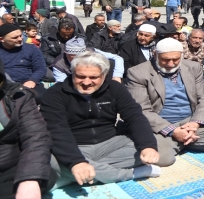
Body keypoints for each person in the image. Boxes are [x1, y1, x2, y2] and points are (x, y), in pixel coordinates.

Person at [41, 52, 162, 188]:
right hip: (75, 145)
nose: (86, 82)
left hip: (110, 143)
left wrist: (147, 146)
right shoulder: (55, 94)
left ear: (103, 76)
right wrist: (76, 161)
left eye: (93, 77)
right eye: (80, 76)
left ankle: (73, 174)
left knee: (150, 147)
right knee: (48, 159)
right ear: (72, 73)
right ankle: (130, 174)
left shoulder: (115, 88)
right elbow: (57, 130)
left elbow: (135, 117)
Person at [126, 39, 204, 166]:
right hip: (161, 123)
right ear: (155, 54)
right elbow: (142, 109)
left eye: (175, 59)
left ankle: (179, 141)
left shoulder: (193, 67)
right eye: (165, 60)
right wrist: (172, 131)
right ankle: (180, 140)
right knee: (163, 159)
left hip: (189, 120)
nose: (171, 63)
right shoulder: (138, 73)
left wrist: (195, 123)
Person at [0, 60, 56, 199]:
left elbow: (36, 136)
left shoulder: (18, 97)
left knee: (44, 175)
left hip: (10, 166)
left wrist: (30, 178)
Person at [0, 24, 48, 99]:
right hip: (3, 84)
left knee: (42, 97)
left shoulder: (31, 49)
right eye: (15, 37)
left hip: (26, 83)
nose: (20, 39)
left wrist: (33, 80)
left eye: (20, 35)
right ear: (2, 39)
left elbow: (40, 68)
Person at [51, 37, 124, 83]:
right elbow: (62, 84)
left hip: (96, 79)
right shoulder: (58, 64)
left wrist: (117, 76)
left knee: (111, 63)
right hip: (75, 86)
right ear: (65, 53)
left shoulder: (91, 51)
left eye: (80, 56)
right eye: (73, 57)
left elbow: (117, 58)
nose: (77, 59)